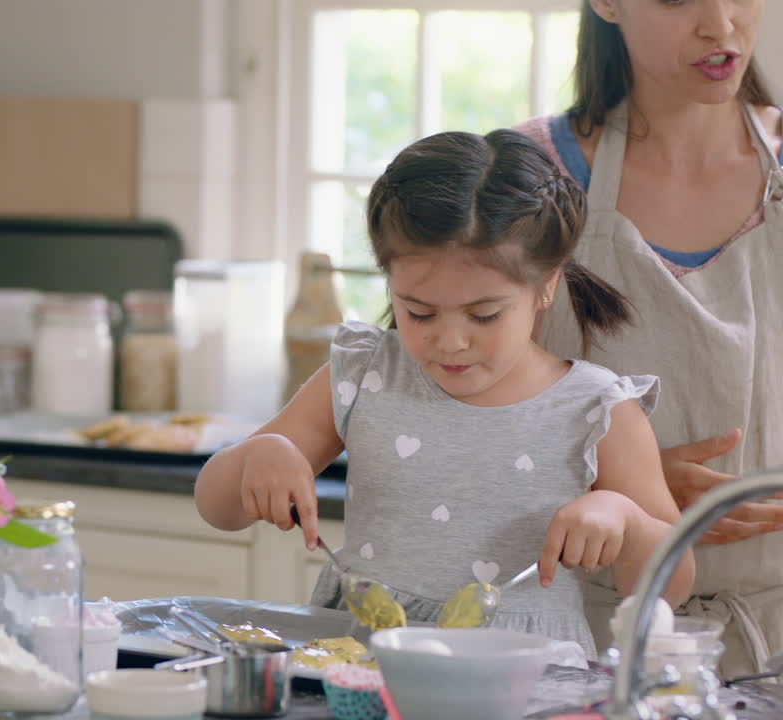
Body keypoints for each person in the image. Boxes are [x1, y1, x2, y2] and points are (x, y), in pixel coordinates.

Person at [193, 129, 695, 661]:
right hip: (363, 663)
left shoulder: (597, 411)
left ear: (546, 284)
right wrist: (260, 457)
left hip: (526, 683)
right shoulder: (363, 374)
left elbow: (673, 586)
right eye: (419, 312)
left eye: (484, 315)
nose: (450, 341)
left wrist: (625, 519)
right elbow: (215, 508)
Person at [515, 0, 782, 675]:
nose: (719, 25)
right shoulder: (528, 176)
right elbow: (432, 418)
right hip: (582, 641)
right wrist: (624, 478)